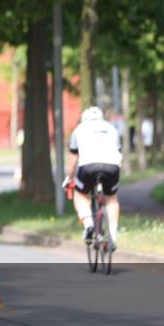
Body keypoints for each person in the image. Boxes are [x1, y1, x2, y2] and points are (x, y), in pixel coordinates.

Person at [65, 106, 122, 251]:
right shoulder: (111, 128)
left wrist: (69, 179)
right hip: (112, 166)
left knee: (80, 194)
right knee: (111, 199)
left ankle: (89, 223)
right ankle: (113, 237)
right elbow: (118, 151)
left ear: (83, 119)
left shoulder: (79, 129)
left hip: (88, 167)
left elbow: (72, 162)